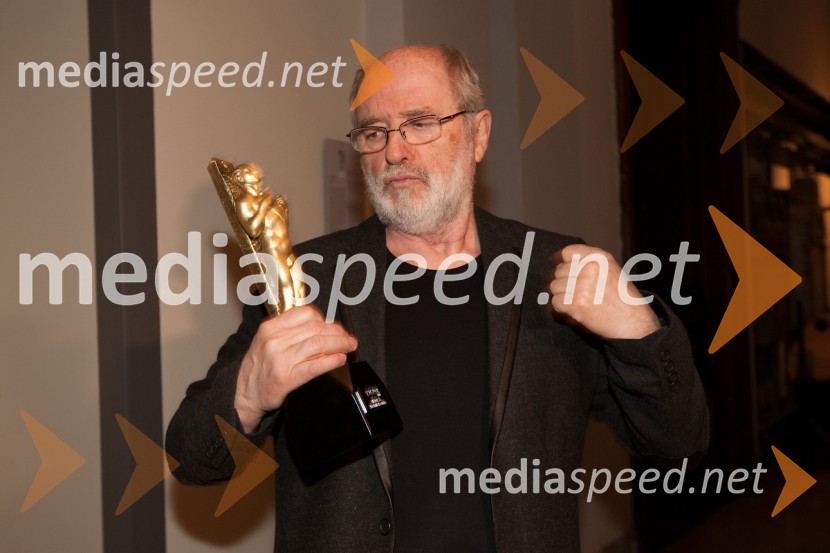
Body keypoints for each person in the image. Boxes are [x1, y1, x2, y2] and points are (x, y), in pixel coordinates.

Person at [166, 44, 709, 553]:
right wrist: (248, 394)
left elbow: (678, 440)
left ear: (478, 134)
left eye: (420, 123)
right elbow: (192, 458)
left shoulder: (553, 272)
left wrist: (640, 329)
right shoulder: (309, 279)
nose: (394, 150)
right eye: (374, 132)